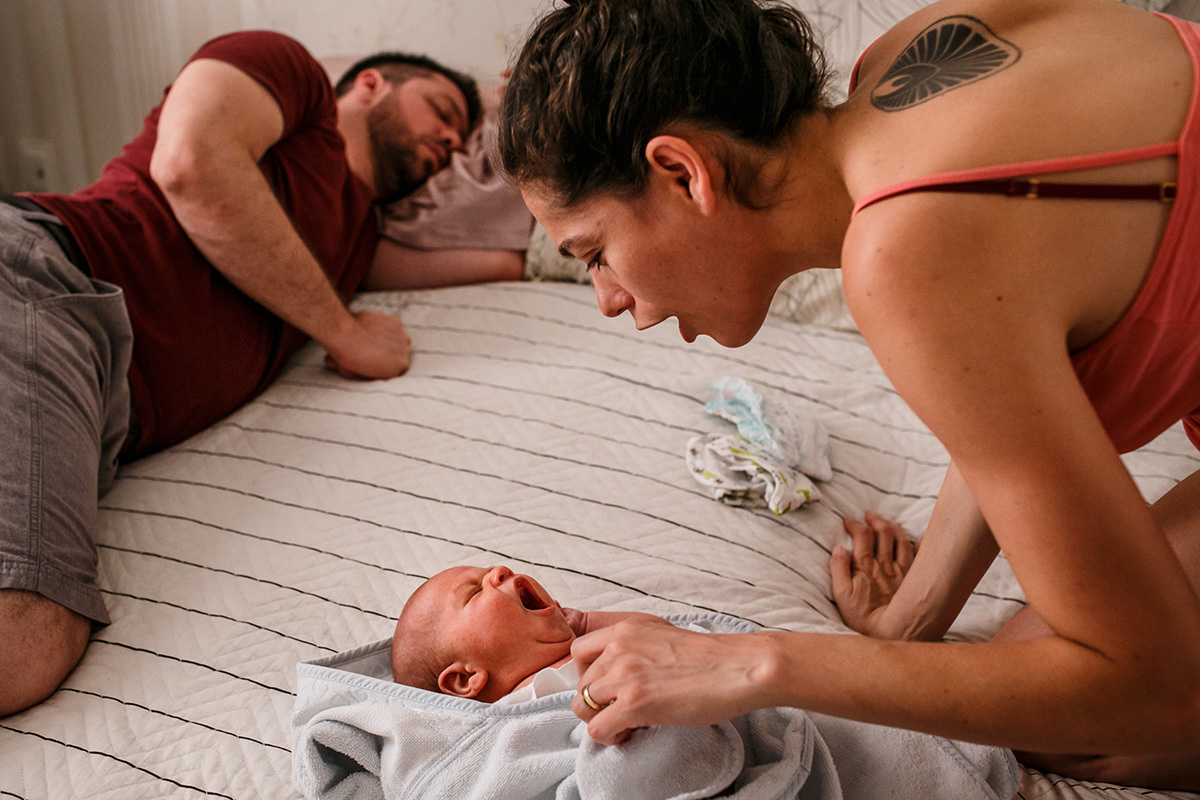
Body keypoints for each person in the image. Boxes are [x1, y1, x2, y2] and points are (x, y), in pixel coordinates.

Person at [498, 0, 1200, 789]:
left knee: (1077, 728)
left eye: (593, 253)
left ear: (682, 173)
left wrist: (750, 662)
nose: (608, 300)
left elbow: (1155, 689)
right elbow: (1016, 387)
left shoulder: (904, 250)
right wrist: (900, 634)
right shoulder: (904, 65)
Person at [0, 30, 494, 718]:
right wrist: (345, 333)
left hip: (96, 403)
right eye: (441, 109)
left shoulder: (359, 244)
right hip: (47, 285)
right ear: (372, 82)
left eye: (461, 139)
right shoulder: (289, 75)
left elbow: (510, 258)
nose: (449, 139)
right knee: (24, 639)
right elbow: (191, 163)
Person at [391, 565, 665, 703]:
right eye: (475, 592)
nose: (500, 571)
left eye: (490, 570)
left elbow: (663, 638)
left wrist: (584, 623)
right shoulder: (511, 713)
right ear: (465, 678)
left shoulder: (585, 644)